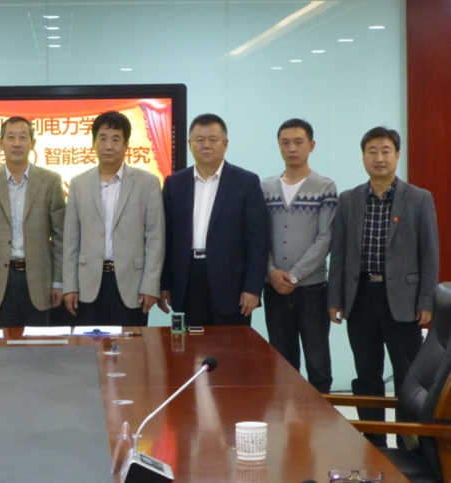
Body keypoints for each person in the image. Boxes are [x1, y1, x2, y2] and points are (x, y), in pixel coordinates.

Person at [329, 127, 439, 447]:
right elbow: (339, 253)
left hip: (404, 301)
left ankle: (409, 446)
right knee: (366, 376)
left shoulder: (419, 198)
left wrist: (426, 301)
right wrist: (335, 299)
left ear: (397, 156)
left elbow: (430, 254)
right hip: (361, 296)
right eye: (372, 151)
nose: (379, 157)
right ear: (363, 157)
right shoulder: (349, 199)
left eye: (386, 151)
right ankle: (373, 445)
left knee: (408, 377)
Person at [159, 114, 268, 326]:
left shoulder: (246, 182)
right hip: (187, 280)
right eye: (199, 140)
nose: (206, 145)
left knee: (231, 345)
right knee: (190, 343)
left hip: (232, 284)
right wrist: (165, 284)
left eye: (213, 140)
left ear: (225, 144)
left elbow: (258, 240)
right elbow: (166, 238)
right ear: (190, 144)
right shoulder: (174, 183)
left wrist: (253, 288)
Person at [62, 110, 163, 325]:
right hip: (88, 284)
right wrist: (69, 286)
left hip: (132, 284)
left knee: (131, 345)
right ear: (93, 143)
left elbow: (155, 238)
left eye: (116, 139)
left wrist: (150, 285)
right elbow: (71, 240)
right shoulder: (79, 183)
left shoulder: (148, 183)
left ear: (126, 145)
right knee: (90, 344)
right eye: (103, 138)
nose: (108, 146)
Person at [261, 118, 337, 393]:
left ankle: (322, 417)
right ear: (279, 146)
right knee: (282, 363)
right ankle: (287, 417)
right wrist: (271, 271)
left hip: (312, 289)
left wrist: (294, 275)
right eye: (285, 143)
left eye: (298, 142)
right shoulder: (265, 188)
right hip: (274, 289)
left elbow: (325, 238)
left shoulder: (325, 187)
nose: (291, 148)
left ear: (311, 146)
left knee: (318, 364)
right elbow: (258, 238)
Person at [0, 116, 66, 326]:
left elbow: (60, 237)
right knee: (0, 344)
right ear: (0, 143)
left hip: (39, 280)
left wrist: (58, 282)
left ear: (33, 143)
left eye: (23, 137)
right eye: (11, 137)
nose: (17, 143)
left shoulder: (50, 181)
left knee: (37, 343)